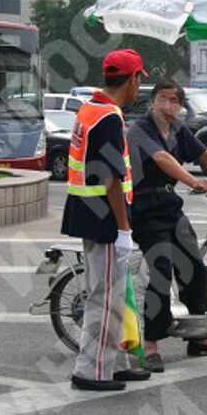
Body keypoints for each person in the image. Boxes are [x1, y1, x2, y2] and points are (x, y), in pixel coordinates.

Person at [127, 79, 207, 374]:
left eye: (173, 100)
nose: (167, 106)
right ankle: (150, 345)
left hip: (170, 207)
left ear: (180, 105)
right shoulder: (141, 129)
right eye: (162, 99)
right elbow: (161, 158)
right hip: (145, 209)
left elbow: (203, 153)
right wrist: (194, 181)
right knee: (161, 274)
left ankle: (199, 337)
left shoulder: (178, 129)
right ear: (153, 102)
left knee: (195, 269)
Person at [61, 48, 151, 391]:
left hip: (87, 213)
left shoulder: (89, 109)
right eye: (139, 79)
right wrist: (124, 228)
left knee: (114, 294)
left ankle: (113, 363)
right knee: (105, 297)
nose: (140, 86)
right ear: (131, 79)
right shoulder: (109, 117)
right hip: (105, 219)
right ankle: (91, 371)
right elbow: (112, 178)